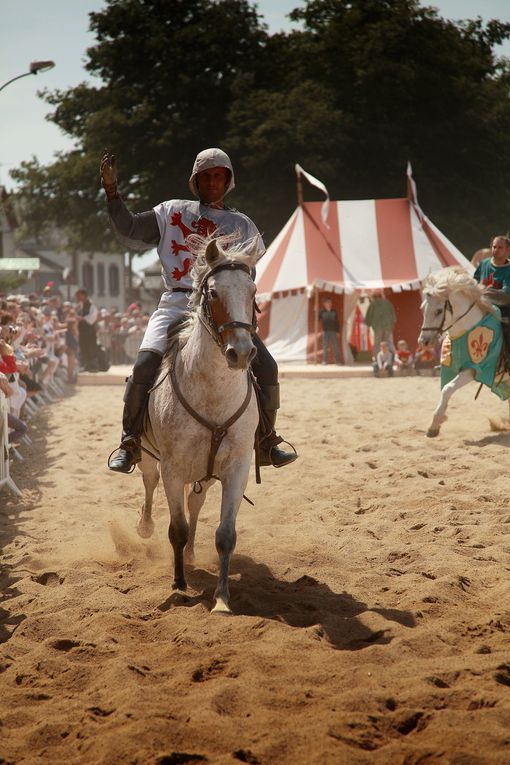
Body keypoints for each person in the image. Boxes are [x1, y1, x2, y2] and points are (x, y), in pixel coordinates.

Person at [100, 147, 297, 473]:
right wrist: (111, 193)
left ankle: (266, 441)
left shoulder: (243, 225)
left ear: (227, 180)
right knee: (145, 363)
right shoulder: (171, 212)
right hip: (177, 303)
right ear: (196, 181)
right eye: (206, 176)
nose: (212, 182)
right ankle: (130, 441)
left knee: (269, 368)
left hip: (222, 310)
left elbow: (248, 279)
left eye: (218, 176)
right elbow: (130, 228)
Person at [473, 234, 510, 354]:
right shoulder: (484, 264)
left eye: (500, 247)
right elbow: (474, 283)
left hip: (504, 310)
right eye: (494, 247)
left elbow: (505, 296)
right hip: (482, 307)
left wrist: (483, 292)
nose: (496, 250)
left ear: (507, 250)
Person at [365, 290, 396, 358]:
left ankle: (377, 358)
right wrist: (392, 325)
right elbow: (393, 315)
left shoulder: (373, 304)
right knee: (389, 342)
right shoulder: (388, 303)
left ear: (374, 297)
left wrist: (368, 325)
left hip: (377, 326)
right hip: (388, 326)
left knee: (377, 343)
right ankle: (393, 358)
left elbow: (369, 316)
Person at [75, 289, 99, 372]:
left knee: (91, 347)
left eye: (80, 295)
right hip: (82, 331)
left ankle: (94, 366)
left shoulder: (91, 305)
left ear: (84, 295)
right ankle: (86, 366)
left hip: (90, 331)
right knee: (83, 348)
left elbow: (93, 317)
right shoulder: (79, 305)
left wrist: (82, 318)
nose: (78, 297)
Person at [318, 298, 340, 364]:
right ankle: (325, 360)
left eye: (330, 303)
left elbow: (337, 322)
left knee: (335, 345)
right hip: (325, 331)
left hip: (333, 331)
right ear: (324, 304)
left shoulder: (334, 311)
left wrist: (338, 331)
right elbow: (317, 319)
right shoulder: (322, 311)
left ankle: (337, 360)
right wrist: (315, 311)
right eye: (327, 303)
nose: (329, 304)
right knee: (325, 346)